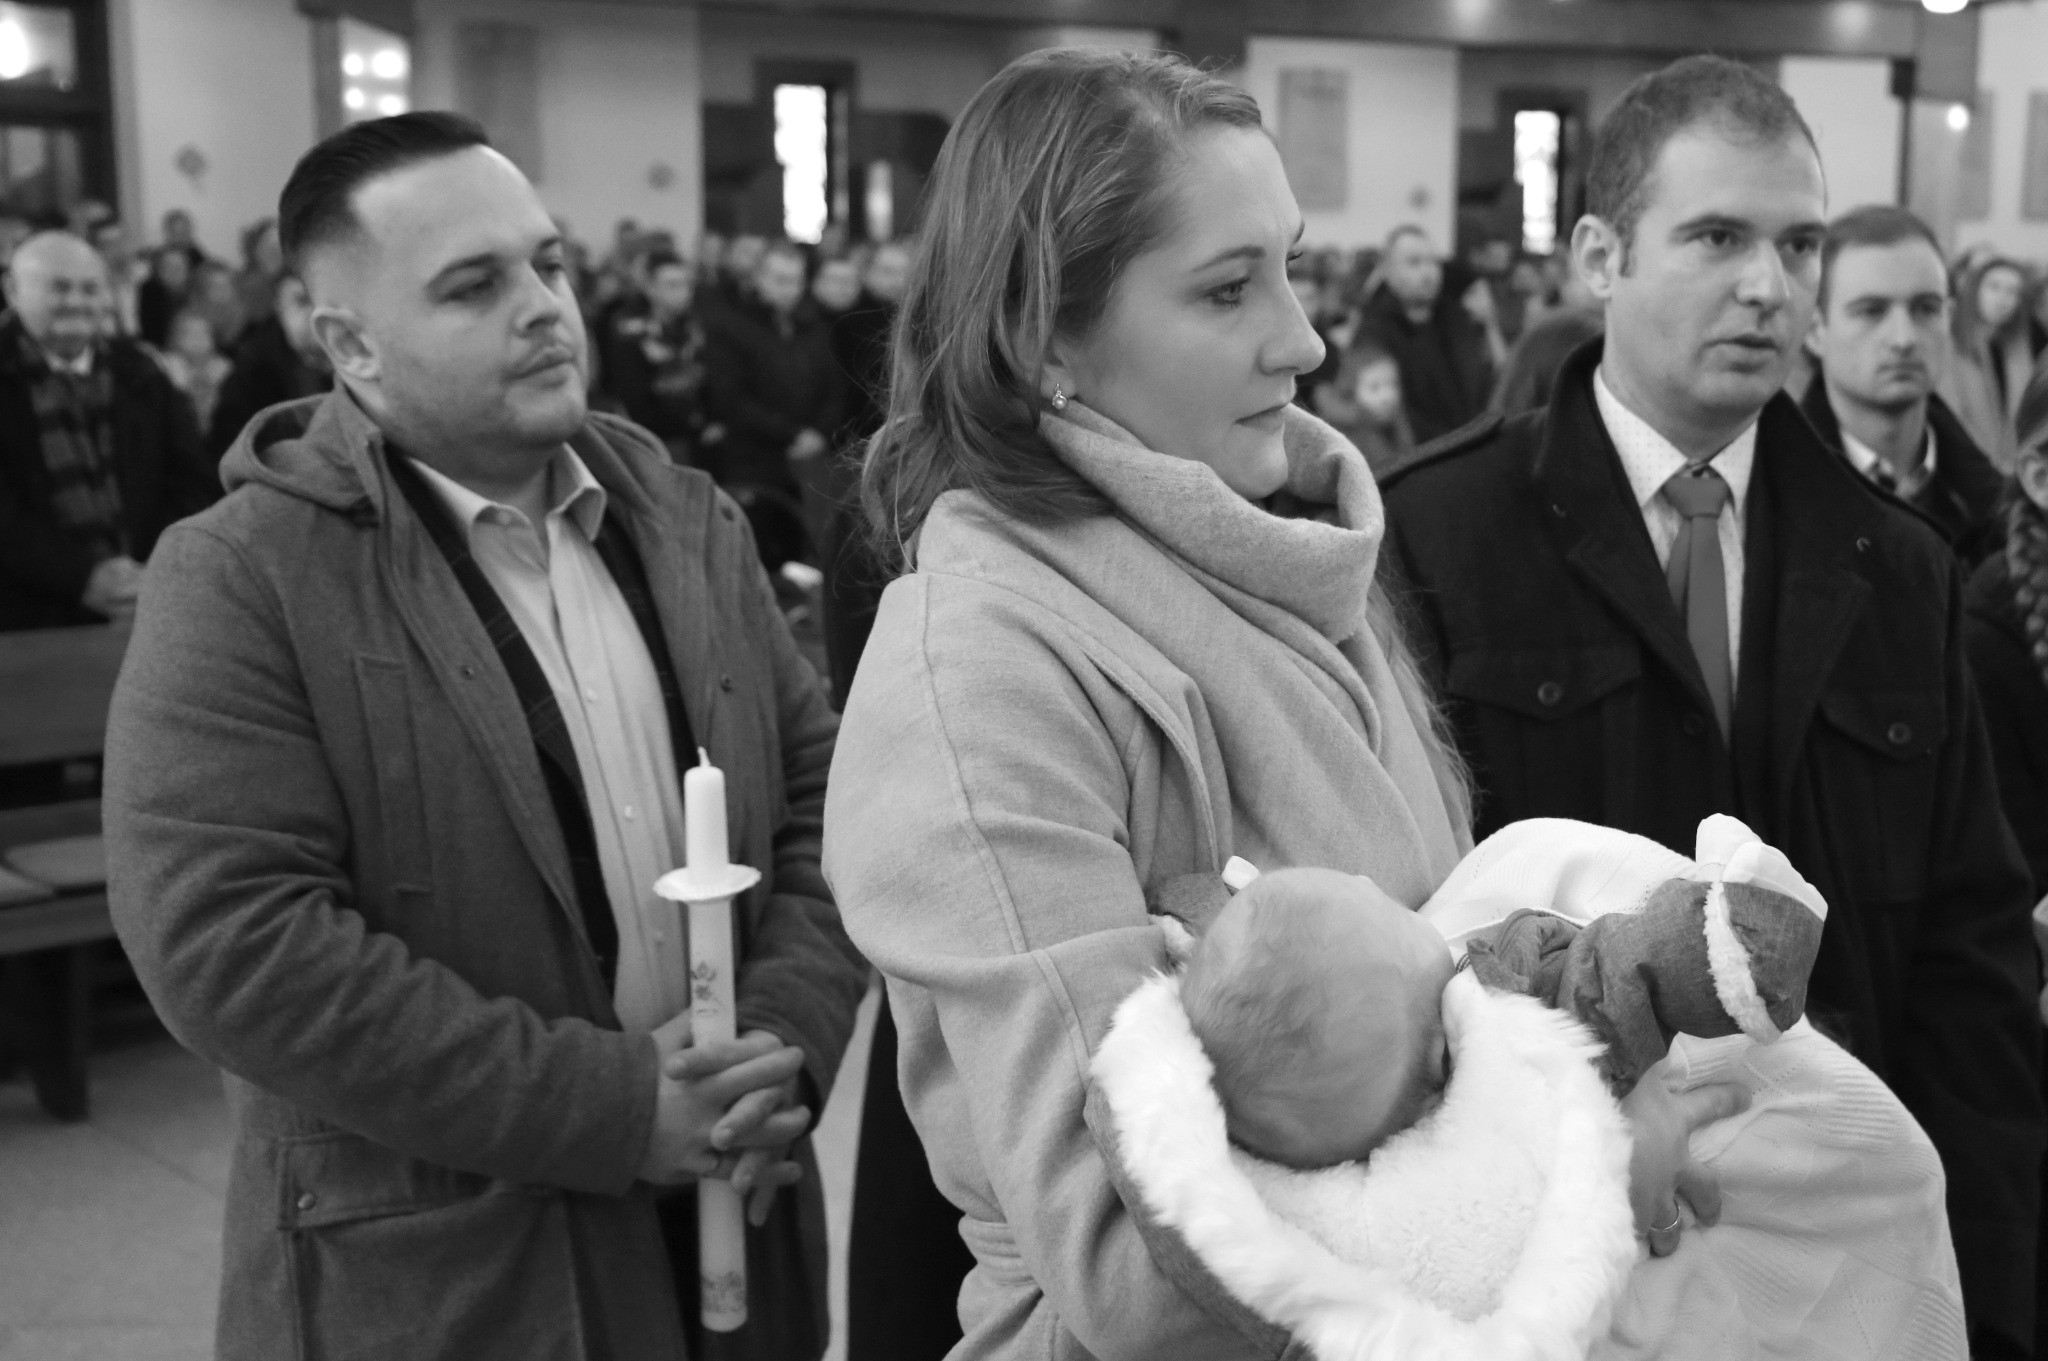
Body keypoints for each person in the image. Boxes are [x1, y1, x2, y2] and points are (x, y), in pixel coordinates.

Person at [824, 47, 1747, 1361]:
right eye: (1225, 288)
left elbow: (1444, 973)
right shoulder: (984, 676)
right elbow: (1139, 1263)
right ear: (1046, 344)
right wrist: (1582, 1158)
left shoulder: (1278, 554)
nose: (1303, 338)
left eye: (1293, 266)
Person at [101, 112, 866, 1361]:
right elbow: (227, 939)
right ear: (350, 344)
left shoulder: (684, 518)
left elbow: (825, 795)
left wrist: (780, 1040)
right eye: (475, 284)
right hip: (448, 1260)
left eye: (549, 264)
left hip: (734, 1202)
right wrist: (613, 1107)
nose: (543, 306)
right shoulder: (245, 574)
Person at [1380, 55, 2043, 1358]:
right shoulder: (1441, 537)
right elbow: (1409, 915)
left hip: (1836, 1249)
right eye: (1718, 236)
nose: (1770, 287)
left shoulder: (1897, 567)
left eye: (1797, 243)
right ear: (1597, 254)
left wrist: (1996, 1300)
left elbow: (1971, 966)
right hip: (1555, 1240)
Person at [0, 231, 213, 631]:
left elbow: (192, 477)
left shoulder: (141, 372)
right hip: (28, 617)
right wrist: (83, 578)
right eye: (59, 288)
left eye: (90, 289)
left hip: (150, 597)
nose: (77, 302)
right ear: (13, 290)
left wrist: (150, 571)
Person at [1801, 206, 2004, 567]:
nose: (1903, 338)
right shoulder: (1762, 497)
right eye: (1871, 311)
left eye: (1926, 309)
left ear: (1950, 319)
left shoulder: (2000, 511)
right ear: (1816, 331)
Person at [704, 240, 838, 566]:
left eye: (794, 280)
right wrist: (792, 435)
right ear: (759, 278)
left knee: (805, 558)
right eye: (779, 279)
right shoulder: (730, 326)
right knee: (758, 558)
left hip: (809, 462)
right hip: (753, 460)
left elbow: (834, 387)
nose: (788, 289)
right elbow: (731, 399)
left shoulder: (812, 326)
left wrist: (820, 432)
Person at [1354, 224, 1494, 442]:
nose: (1428, 272)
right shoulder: (1373, 331)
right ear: (1388, 272)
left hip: (1470, 442)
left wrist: (1489, 324)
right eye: (1414, 262)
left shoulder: (1456, 318)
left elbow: (1486, 384)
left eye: (1433, 262)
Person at [602, 249, 717, 465]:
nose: (683, 292)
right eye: (672, 285)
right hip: (654, 439)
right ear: (651, 288)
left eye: (686, 284)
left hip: (701, 436)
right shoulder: (631, 332)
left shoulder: (698, 327)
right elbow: (634, 396)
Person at [207, 271, 332, 459]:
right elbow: (232, 449)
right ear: (279, 308)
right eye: (302, 301)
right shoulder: (253, 367)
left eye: (323, 300)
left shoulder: (360, 357)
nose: (315, 311)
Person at [1946, 256, 2037, 469]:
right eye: (1994, 287)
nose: (2003, 298)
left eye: (2012, 291)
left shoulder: (2016, 352)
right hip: (1968, 469)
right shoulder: (1951, 348)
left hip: (2011, 469)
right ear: (1974, 290)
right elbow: (1952, 420)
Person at [1312, 340, 1413, 477]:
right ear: (1351, 392)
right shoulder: (1346, 438)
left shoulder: (1398, 421)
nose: (1387, 396)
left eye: (1393, 384)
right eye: (1374, 387)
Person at [160, 308, 231, 433]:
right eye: (190, 334)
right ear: (175, 338)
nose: (198, 341)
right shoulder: (169, 366)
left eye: (203, 334)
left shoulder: (223, 367)